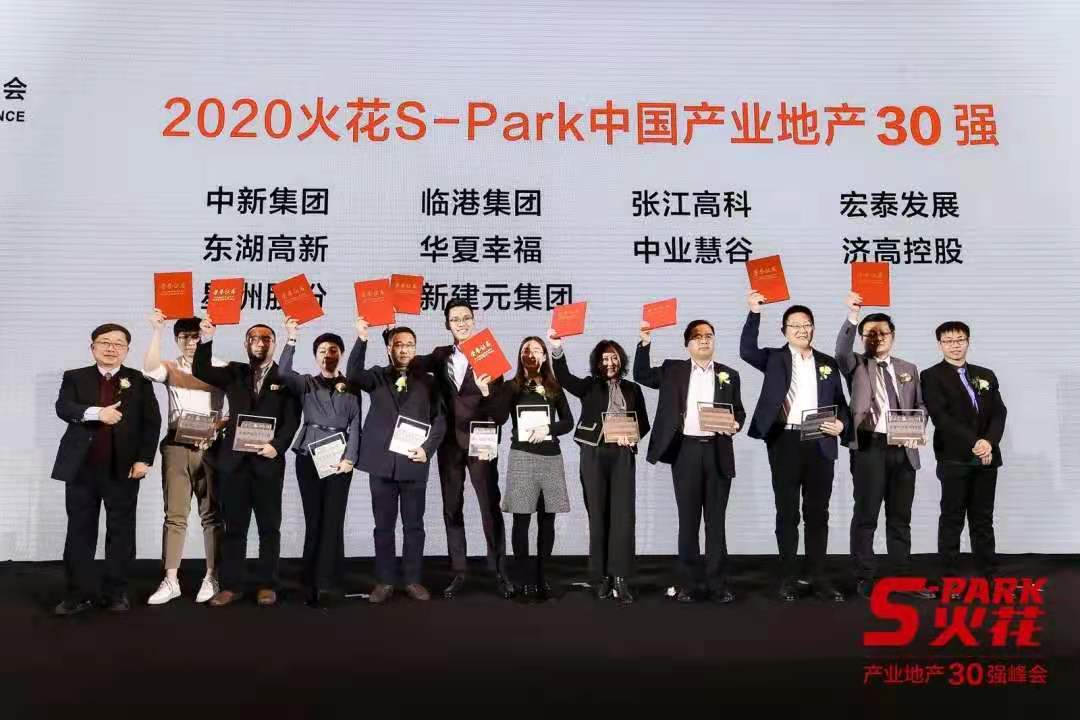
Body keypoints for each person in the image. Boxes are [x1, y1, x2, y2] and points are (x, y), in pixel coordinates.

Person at [740, 292, 851, 602]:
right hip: (785, 440)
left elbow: (840, 403)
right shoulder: (774, 358)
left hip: (820, 439)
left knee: (818, 513)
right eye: (795, 325)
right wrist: (754, 312)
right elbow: (746, 350)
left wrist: (842, 424)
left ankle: (818, 577)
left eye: (807, 325)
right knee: (787, 512)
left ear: (813, 328)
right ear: (784, 330)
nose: (802, 330)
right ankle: (789, 578)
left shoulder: (827, 362)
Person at [52, 323, 161, 616]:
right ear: (93, 347)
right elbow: (64, 408)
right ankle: (77, 594)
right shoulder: (75, 377)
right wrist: (98, 413)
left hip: (123, 469)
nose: (111, 348)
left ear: (127, 350)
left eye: (118, 344)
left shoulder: (139, 380)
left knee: (121, 531)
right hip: (82, 469)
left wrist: (144, 459)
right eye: (104, 342)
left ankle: (116, 592)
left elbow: (152, 423)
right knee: (79, 531)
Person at [634, 319, 745, 604]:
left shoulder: (729, 375)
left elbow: (739, 412)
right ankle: (690, 584)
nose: (704, 340)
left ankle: (717, 584)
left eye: (709, 335)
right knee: (688, 521)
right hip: (686, 451)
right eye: (697, 336)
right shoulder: (673, 370)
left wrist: (735, 423)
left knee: (716, 522)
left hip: (718, 450)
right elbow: (641, 375)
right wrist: (645, 342)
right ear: (687, 344)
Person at [192, 320, 301, 607]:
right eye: (254, 338)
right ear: (246, 344)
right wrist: (207, 337)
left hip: (267, 463)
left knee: (269, 528)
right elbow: (200, 370)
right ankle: (231, 586)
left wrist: (277, 447)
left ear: (274, 344)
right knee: (234, 528)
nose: (259, 343)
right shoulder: (234, 372)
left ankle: (267, 584)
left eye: (266, 338)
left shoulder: (287, 377)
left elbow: (292, 420)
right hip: (234, 464)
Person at [411, 299, 511, 599]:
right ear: (447, 324)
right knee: (451, 508)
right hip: (449, 444)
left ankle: (500, 572)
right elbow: (410, 363)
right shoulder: (440, 355)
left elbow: (500, 411)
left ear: (474, 320)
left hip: (481, 440)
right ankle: (459, 572)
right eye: (455, 319)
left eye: (466, 318)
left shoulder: (489, 354)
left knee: (489, 506)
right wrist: (390, 332)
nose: (462, 323)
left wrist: (487, 390)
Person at [835, 294, 927, 600]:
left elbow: (921, 405)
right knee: (866, 516)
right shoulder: (856, 364)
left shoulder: (908, 367)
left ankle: (903, 577)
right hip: (869, 447)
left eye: (882, 333)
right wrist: (852, 315)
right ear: (863, 338)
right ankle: (865, 576)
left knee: (900, 518)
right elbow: (841, 350)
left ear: (893, 335)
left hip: (903, 449)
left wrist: (917, 429)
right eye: (870, 334)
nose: (877, 338)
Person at [347, 319, 445, 604]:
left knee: (414, 526)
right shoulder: (377, 376)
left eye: (409, 345)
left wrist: (427, 449)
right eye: (398, 345)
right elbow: (353, 374)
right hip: (381, 464)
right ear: (389, 347)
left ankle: (413, 580)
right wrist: (362, 337)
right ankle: (385, 581)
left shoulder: (429, 381)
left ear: (416, 348)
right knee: (383, 527)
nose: (404, 350)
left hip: (414, 462)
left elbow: (440, 419)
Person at [551, 329, 649, 603]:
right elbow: (564, 377)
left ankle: (621, 577)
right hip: (593, 453)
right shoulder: (589, 386)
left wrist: (633, 437)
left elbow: (643, 422)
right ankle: (602, 577)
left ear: (621, 360)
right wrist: (557, 348)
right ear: (597, 362)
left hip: (622, 455)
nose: (610, 362)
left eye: (614, 358)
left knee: (623, 516)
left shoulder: (633, 389)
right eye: (605, 358)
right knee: (598, 514)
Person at [476, 336, 573, 603]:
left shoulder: (554, 386)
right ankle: (525, 580)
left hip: (551, 457)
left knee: (547, 520)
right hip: (522, 457)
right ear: (520, 356)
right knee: (521, 520)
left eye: (537, 350)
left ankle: (542, 577)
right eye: (526, 350)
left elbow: (568, 421)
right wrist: (485, 392)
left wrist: (548, 429)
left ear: (544, 356)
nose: (531, 354)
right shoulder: (513, 386)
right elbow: (498, 417)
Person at [143, 310, 226, 606]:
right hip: (176, 445)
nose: (191, 342)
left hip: (210, 447)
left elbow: (239, 407)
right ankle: (171, 579)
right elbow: (149, 369)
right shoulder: (170, 367)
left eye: (196, 337)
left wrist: (217, 426)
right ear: (177, 340)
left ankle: (212, 576)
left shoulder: (220, 367)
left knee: (212, 515)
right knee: (175, 515)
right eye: (185, 337)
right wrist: (157, 330)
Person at [278, 317, 362, 608]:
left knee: (333, 520)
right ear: (315, 356)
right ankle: (310, 582)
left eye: (333, 350)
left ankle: (330, 582)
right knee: (314, 520)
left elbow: (356, 425)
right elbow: (282, 372)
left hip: (339, 459)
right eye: (323, 350)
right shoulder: (306, 382)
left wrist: (350, 458)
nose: (328, 354)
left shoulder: (351, 387)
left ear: (341, 354)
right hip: (309, 456)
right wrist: (291, 338)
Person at [921, 321, 1007, 582]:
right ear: (940, 345)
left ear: (968, 341)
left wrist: (989, 442)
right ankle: (948, 576)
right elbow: (941, 417)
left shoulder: (985, 374)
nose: (955, 345)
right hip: (954, 458)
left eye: (960, 340)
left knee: (983, 518)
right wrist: (976, 443)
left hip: (987, 457)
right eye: (948, 341)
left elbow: (999, 412)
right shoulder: (931, 376)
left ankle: (988, 574)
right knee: (952, 518)